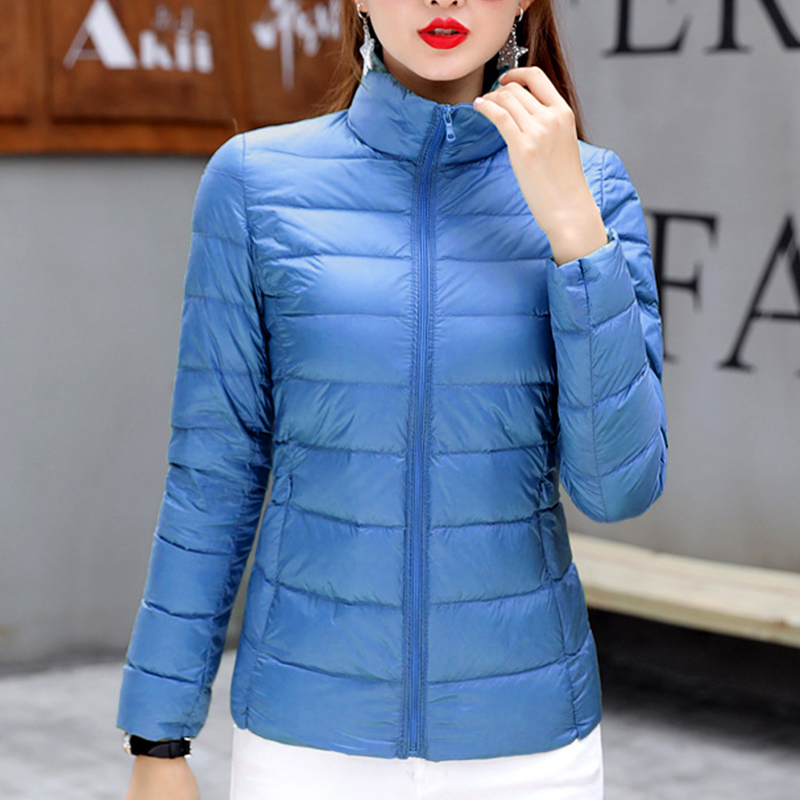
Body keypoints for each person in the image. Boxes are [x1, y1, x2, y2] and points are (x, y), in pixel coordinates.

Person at [118, 0, 668, 797]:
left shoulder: (594, 189)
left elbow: (618, 489)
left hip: (527, 749)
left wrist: (574, 230)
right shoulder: (254, 183)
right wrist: (159, 740)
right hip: (306, 745)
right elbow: (213, 476)